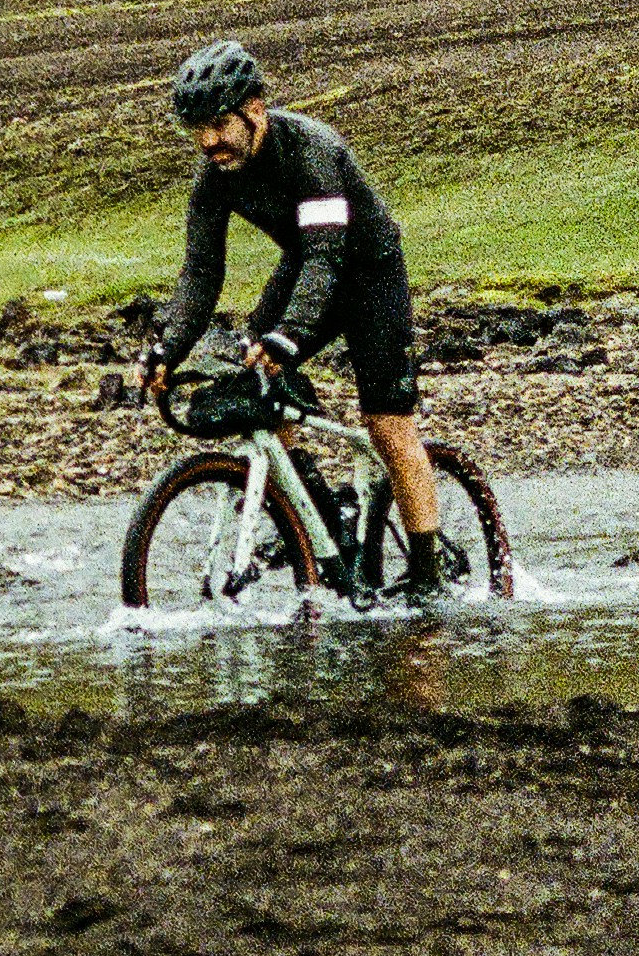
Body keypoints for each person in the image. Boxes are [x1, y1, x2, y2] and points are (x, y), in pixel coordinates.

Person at [145, 38, 463, 588]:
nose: (208, 141)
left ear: (255, 110)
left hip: (367, 270)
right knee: (259, 378)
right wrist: (166, 349)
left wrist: (290, 334)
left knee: (387, 421)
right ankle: (311, 509)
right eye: (195, 128)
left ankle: (428, 571)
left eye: (219, 124)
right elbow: (201, 274)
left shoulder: (311, 150)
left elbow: (327, 255)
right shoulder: (215, 174)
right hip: (307, 265)